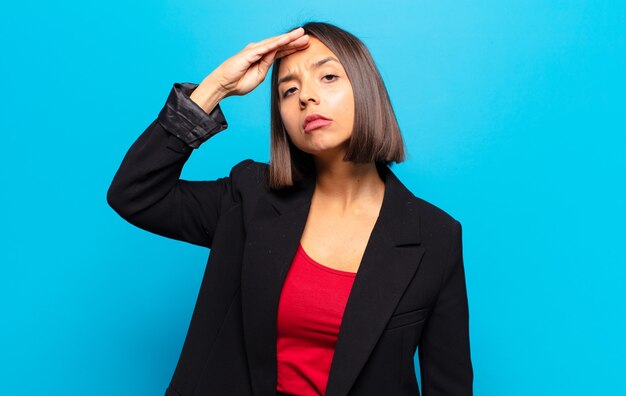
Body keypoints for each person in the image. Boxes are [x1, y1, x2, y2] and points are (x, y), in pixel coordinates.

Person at [107, 21, 473, 396]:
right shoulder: (249, 197)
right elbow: (135, 194)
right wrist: (215, 88)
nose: (306, 97)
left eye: (328, 77)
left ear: (366, 89)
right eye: (289, 90)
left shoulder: (436, 236)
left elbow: (450, 385)